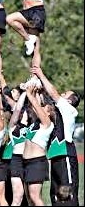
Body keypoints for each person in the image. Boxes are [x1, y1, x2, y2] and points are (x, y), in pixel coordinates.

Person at [30, 66, 80, 206]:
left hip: (66, 156)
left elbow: (53, 92)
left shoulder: (69, 110)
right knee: (56, 194)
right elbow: (42, 106)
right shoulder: (58, 111)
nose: (60, 94)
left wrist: (40, 73)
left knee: (68, 192)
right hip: (56, 157)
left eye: (64, 93)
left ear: (69, 101)